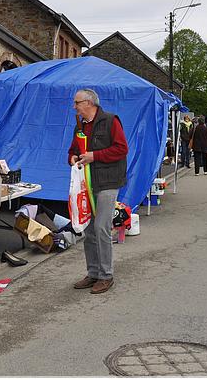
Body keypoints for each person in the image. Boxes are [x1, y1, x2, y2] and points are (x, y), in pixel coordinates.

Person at [68, 89, 128, 295]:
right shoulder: (80, 125)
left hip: (108, 181)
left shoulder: (111, 121)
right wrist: (74, 158)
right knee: (89, 229)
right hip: (88, 183)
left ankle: (105, 275)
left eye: (77, 102)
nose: (74, 106)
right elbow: (73, 150)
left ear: (89, 103)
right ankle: (93, 272)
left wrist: (95, 156)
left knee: (101, 227)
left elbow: (121, 149)